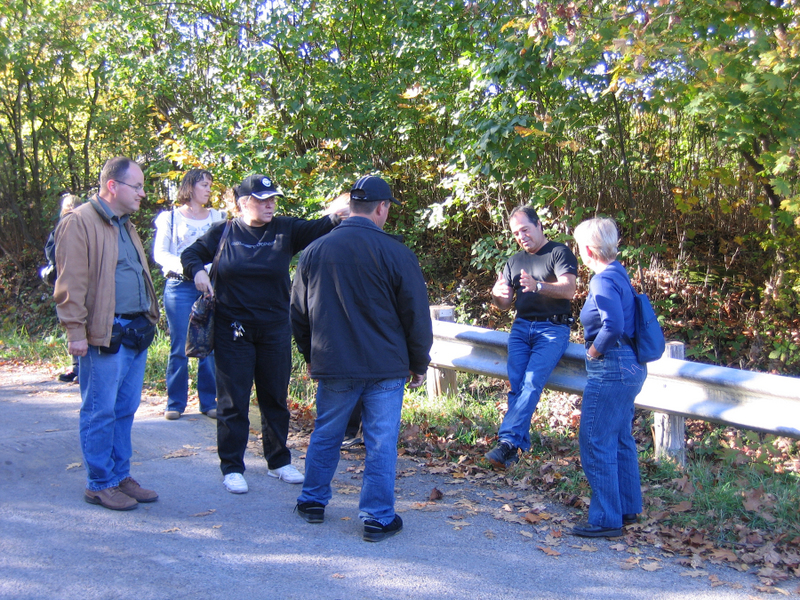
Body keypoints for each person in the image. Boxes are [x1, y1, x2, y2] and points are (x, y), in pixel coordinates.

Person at [181, 174, 348, 494]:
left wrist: (341, 210)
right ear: (244, 203)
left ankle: (278, 461)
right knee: (233, 400)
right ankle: (232, 465)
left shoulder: (285, 229)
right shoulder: (225, 231)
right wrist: (199, 272)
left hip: (273, 328)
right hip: (233, 330)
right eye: (263, 199)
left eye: (273, 198)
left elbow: (321, 226)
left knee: (274, 397)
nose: (270, 204)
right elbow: (190, 254)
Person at [291, 175, 433, 542]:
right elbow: (415, 315)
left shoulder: (315, 251)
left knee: (326, 431)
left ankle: (311, 501)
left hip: (334, 362)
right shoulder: (397, 253)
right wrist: (419, 362)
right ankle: (377, 517)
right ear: (382, 208)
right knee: (381, 440)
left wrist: (310, 355)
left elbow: (299, 313)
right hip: (385, 366)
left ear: (351, 205)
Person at [53, 157, 160, 511]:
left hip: (135, 332)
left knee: (126, 408)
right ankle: (99, 483)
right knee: (100, 410)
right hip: (104, 334)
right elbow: (70, 282)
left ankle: (120, 476)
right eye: (137, 186)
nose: (143, 193)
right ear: (112, 186)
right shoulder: (79, 222)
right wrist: (75, 332)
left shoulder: (125, 224)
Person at [571, 217, 647, 538]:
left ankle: (605, 518)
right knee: (619, 438)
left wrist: (593, 352)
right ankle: (627, 508)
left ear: (588, 249)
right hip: (632, 366)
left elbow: (612, 325)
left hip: (612, 367)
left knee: (595, 439)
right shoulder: (620, 273)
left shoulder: (601, 281)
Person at [485, 206, 578, 469]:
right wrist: (497, 294)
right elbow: (503, 304)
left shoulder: (558, 252)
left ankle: (505, 442)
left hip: (552, 329)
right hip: (521, 328)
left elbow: (569, 289)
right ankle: (512, 449)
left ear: (538, 225)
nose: (521, 236)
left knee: (531, 383)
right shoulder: (514, 261)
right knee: (517, 387)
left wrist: (538, 286)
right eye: (516, 233)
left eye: (525, 229)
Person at [153, 169, 226, 420]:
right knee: (179, 345)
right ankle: (175, 403)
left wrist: (207, 273)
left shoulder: (218, 217)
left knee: (209, 344)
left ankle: (209, 401)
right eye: (204, 185)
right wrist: (192, 270)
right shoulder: (170, 218)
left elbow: (222, 252)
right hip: (179, 287)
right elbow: (160, 254)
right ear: (190, 187)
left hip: (210, 288)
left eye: (210, 185)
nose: (208, 189)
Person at [43, 193, 82, 382]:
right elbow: (52, 254)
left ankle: (80, 369)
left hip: (75, 282)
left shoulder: (84, 227)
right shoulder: (62, 229)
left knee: (76, 324)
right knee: (74, 323)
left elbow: (51, 254)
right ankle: (77, 369)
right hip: (68, 282)